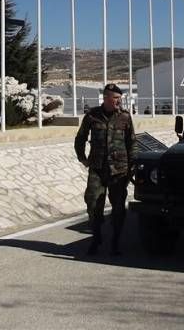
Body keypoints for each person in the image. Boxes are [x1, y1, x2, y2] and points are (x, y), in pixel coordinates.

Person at [74, 83, 138, 256]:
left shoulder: (125, 117)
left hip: (119, 170)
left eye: (120, 98)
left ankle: (115, 242)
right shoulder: (92, 116)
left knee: (118, 208)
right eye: (116, 98)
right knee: (93, 202)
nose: (119, 102)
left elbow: (131, 142)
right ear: (106, 98)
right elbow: (80, 138)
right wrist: (82, 158)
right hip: (97, 168)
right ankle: (96, 238)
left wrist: (132, 166)